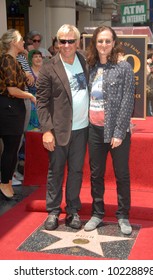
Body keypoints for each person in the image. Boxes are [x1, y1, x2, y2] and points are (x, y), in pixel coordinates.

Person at [36, 24, 89, 231]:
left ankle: (73, 210)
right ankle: (53, 210)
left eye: (70, 41)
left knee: (76, 171)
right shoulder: (49, 66)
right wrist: (47, 130)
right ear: (57, 43)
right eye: (62, 41)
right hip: (58, 131)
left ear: (77, 42)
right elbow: (41, 101)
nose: (66, 45)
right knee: (56, 171)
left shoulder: (85, 60)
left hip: (83, 128)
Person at [84, 26, 135, 235]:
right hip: (94, 129)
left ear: (114, 43)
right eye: (100, 41)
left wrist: (118, 132)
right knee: (96, 174)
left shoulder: (124, 68)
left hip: (116, 132)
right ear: (94, 43)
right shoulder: (91, 66)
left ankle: (123, 215)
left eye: (107, 41)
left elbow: (127, 100)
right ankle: (97, 213)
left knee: (121, 174)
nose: (103, 44)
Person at [0, 29, 36, 199]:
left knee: (13, 147)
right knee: (11, 148)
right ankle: (5, 183)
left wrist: (27, 76)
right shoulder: (7, 59)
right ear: (13, 42)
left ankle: (6, 181)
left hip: (14, 107)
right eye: (21, 39)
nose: (24, 41)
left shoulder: (15, 60)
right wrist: (30, 95)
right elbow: (12, 89)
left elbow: (21, 82)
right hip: (9, 108)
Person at [27, 49, 43, 130]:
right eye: (35, 57)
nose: (38, 58)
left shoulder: (45, 70)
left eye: (40, 56)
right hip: (31, 101)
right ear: (30, 59)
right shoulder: (28, 72)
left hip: (44, 100)